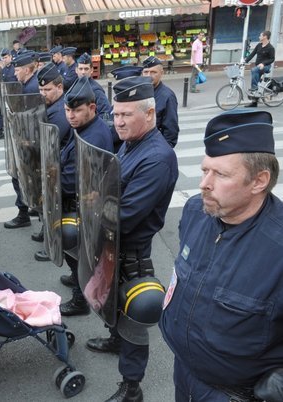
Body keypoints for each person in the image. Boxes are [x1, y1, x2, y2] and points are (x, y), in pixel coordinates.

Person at [160, 110, 283, 402]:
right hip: (184, 375)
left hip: (235, 395)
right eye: (205, 170)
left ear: (259, 181)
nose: (205, 183)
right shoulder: (196, 211)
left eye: (221, 174)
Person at [85, 76, 178, 402]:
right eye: (117, 114)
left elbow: (124, 216)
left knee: (135, 317)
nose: (119, 121)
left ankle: (132, 388)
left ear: (150, 114)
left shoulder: (157, 157)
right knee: (112, 306)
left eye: (127, 115)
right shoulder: (131, 142)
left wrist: (94, 207)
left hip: (132, 251)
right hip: (113, 244)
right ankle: (115, 339)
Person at [56, 77, 114, 308]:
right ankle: (75, 278)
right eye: (68, 110)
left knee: (83, 255)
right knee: (75, 253)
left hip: (86, 206)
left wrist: (52, 177)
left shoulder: (94, 136)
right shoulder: (82, 127)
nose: (71, 115)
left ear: (92, 107)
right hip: (81, 203)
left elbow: (73, 182)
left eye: (77, 110)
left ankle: (81, 299)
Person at [3, 51, 39, 230]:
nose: (15, 73)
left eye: (17, 70)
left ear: (26, 69)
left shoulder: (32, 87)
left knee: (22, 178)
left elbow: (32, 118)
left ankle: (24, 213)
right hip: (29, 140)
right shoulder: (28, 84)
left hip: (31, 143)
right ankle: (31, 209)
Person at [142, 56, 179, 148]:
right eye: (146, 72)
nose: (148, 76)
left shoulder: (167, 96)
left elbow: (171, 130)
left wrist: (162, 151)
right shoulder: (140, 92)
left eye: (153, 72)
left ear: (161, 73)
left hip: (155, 147)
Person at [76, 53, 113, 124]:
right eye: (81, 69)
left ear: (91, 70)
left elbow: (106, 113)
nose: (83, 72)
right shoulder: (77, 85)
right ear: (76, 70)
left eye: (86, 69)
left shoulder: (96, 90)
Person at [245, 30, 275, 107]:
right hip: (258, 67)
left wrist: (263, 64)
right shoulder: (259, 45)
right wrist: (244, 61)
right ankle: (254, 103)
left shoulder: (270, 48)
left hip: (266, 67)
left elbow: (272, 59)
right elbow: (252, 54)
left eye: (260, 36)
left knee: (254, 70)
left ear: (265, 37)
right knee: (256, 76)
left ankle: (254, 89)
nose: (259, 37)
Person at [0, 48, 17, 141]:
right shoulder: (4, 69)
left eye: (6, 57)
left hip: (14, 97)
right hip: (6, 96)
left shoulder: (15, 67)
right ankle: (4, 131)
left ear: (10, 56)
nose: (4, 60)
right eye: (3, 58)